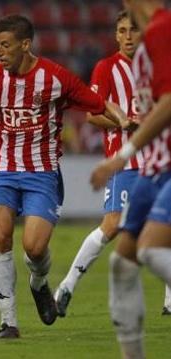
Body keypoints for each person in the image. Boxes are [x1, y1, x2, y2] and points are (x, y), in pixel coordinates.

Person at [0, 14, 128, 340]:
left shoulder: (56, 78)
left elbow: (99, 104)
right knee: (1, 232)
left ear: (25, 45)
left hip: (42, 173)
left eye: (5, 45)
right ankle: (8, 322)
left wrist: (125, 122)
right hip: (1, 169)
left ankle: (40, 283)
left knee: (34, 247)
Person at [54, 10, 171, 318]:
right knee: (111, 226)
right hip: (126, 160)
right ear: (116, 35)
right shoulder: (106, 68)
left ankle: (169, 300)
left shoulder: (157, 63)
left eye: (133, 29)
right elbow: (92, 112)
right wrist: (127, 125)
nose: (129, 35)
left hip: (160, 159)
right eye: (122, 30)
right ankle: (67, 284)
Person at [89, 0, 171, 358]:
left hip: (165, 163)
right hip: (152, 166)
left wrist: (120, 156)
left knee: (151, 250)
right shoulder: (141, 51)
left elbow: (169, 103)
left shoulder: (163, 31)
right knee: (122, 263)